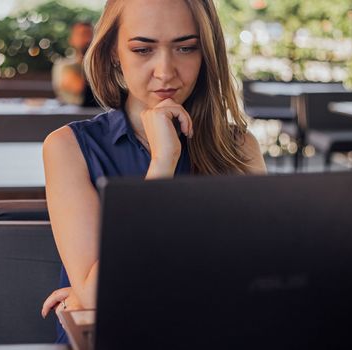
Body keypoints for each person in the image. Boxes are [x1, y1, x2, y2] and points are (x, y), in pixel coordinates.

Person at [41, 0, 267, 343]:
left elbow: (259, 281)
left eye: (186, 47)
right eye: (143, 49)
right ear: (114, 52)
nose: (165, 71)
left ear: (207, 53)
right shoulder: (68, 148)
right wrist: (162, 164)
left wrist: (95, 292)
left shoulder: (238, 147)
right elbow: (100, 297)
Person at [51, 21, 98, 107]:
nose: (88, 39)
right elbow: (82, 89)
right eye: (83, 34)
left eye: (91, 34)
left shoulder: (101, 65)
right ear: (71, 40)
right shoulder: (64, 66)